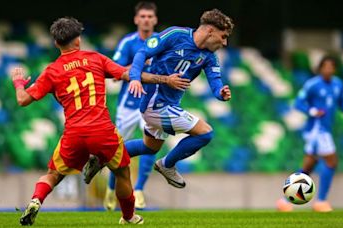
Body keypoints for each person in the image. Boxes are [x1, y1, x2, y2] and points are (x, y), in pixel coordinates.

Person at [13, 17, 189, 226]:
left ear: (56, 43)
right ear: (78, 40)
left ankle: (36, 200)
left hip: (74, 134)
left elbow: (22, 100)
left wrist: (18, 83)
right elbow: (128, 74)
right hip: (102, 131)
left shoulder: (52, 71)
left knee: (53, 174)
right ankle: (128, 216)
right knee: (122, 172)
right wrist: (165, 79)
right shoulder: (95, 59)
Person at [120, 8, 233, 188]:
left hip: (166, 105)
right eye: (223, 36)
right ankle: (167, 165)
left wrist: (221, 93)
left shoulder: (209, 57)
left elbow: (215, 81)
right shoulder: (176, 35)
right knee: (206, 133)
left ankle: (103, 155)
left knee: (149, 148)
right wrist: (135, 79)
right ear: (210, 31)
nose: (225, 42)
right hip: (155, 104)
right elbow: (142, 53)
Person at [83, 1, 159, 211]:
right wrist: (137, 66)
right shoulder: (128, 43)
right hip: (129, 103)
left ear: (155, 19)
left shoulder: (161, 42)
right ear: (136, 19)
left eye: (150, 16)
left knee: (152, 142)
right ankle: (110, 187)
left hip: (152, 101)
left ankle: (140, 189)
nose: (146, 20)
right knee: (115, 147)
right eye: (142, 16)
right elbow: (114, 73)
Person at [277, 56, 343, 212]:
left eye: (331, 67)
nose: (328, 70)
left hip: (326, 128)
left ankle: (284, 201)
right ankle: (321, 201)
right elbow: (298, 103)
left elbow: (341, 101)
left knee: (308, 166)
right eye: (325, 67)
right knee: (331, 162)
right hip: (316, 129)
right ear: (320, 69)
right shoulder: (313, 85)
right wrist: (312, 111)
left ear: (335, 69)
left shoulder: (338, 84)